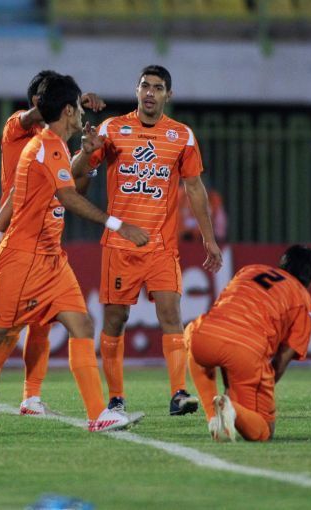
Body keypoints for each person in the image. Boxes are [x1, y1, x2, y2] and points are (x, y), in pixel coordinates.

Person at [0, 74, 149, 438]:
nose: (82, 112)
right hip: (26, 258)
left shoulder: (53, 146)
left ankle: (98, 414)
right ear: (67, 110)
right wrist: (118, 225)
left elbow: (15, 197)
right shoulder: (44, 145)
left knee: (81, 325)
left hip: (52, 258)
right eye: (77, 106)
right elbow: (67, 197)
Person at [71, 65, 223, 416]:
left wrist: (209, 239)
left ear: (168, 94)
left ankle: (179, 393)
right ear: (136, 91)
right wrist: (85, 152)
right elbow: (77, 175)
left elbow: (194, 188)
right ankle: (116, 397)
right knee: (115, 320)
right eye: (144, 86)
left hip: (161, 246)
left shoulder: (182, 136)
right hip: (119, 246)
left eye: (157, 87)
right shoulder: (112, 128)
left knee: (171, 313)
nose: (150, 93)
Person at [0, 70, 107, 416]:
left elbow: (74, 190)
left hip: (48, 237)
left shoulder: (58, 141)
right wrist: (65, 103)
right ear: (40, 102)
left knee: (42, 324)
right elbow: (32, 117)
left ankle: (31, 396)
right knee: (9, 323)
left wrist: (88, 160)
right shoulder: (16, 128)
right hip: (18, 233)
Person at [186, 245, 311, 442]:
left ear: (283, 263)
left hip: (204, 336)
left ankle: (214, 417)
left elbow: (224, 309)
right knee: (264, 431)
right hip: (246, 351)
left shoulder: (250, 270)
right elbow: (282, 360)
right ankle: (232, 408)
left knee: (192, 335)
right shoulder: (304, 301)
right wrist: (250, 391)